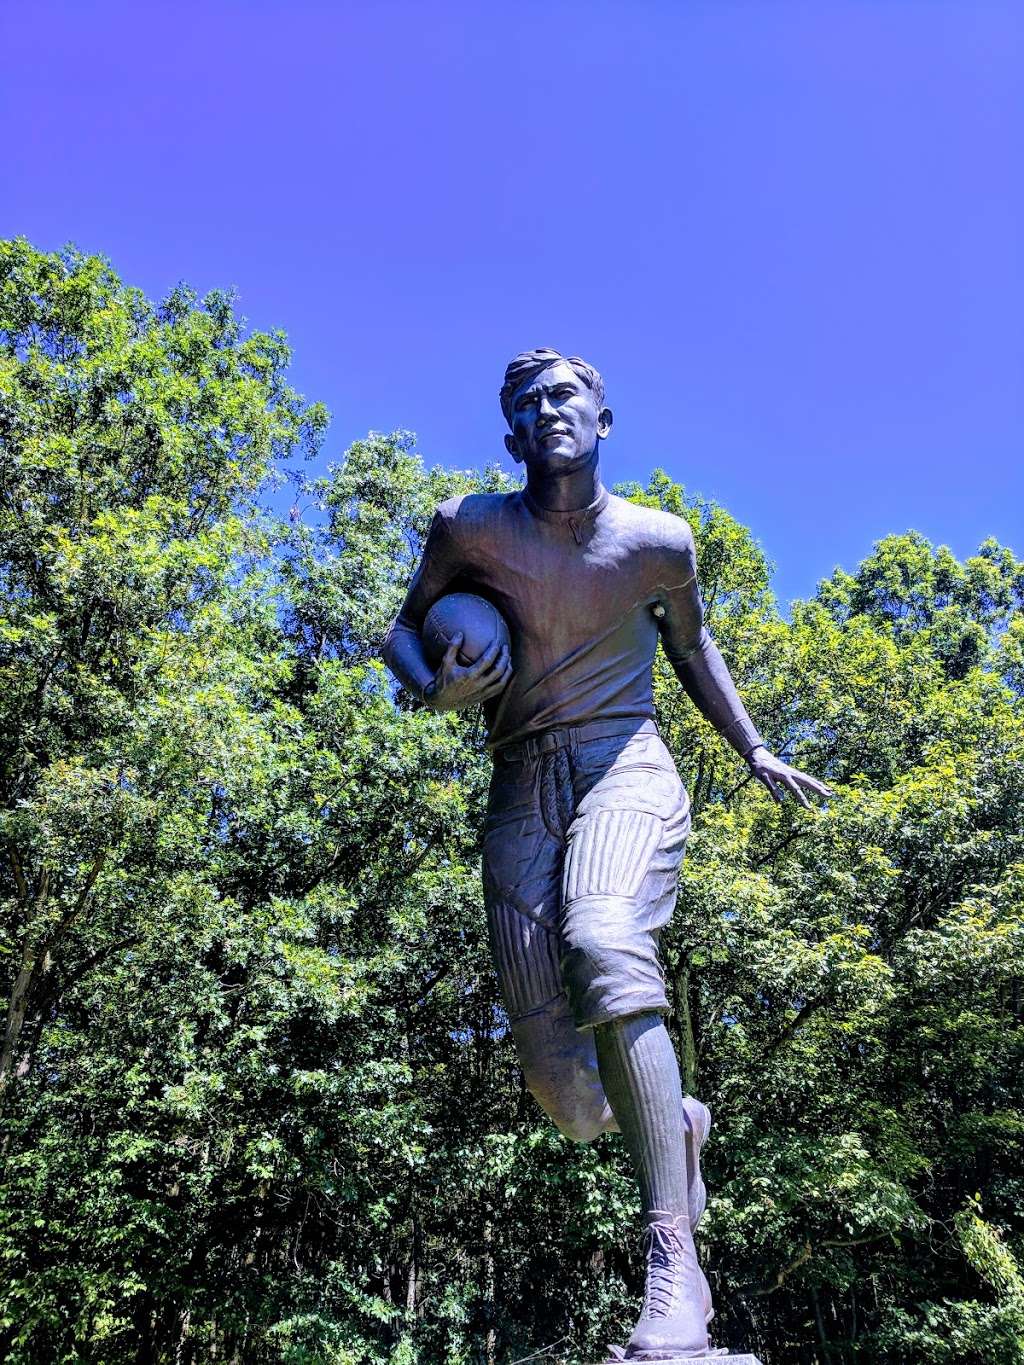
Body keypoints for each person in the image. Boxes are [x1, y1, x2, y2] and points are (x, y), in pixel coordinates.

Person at [383, 349, 830, 1360]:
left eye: (564, 397)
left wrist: (753, 748)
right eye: (528, 403)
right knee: (566, 1096)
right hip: (520, 783)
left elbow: (692, 646)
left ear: (603, 420)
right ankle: (676, 1127)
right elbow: (401, 634)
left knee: (606, 937)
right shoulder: (469, 528)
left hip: (625, 765)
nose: (548, 411)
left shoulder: (657, 541)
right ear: (511, 435)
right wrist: (431, 685)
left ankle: (673, 1261)